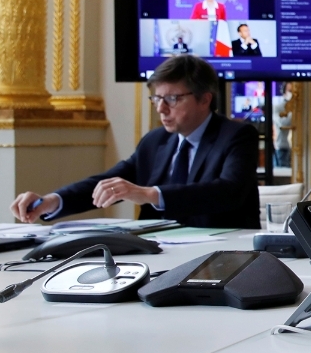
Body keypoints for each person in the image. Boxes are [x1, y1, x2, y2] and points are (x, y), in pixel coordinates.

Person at [11, 56, 260, 229]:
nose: (161, 109)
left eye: (172, 98)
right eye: (157, 98)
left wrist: (150, 194)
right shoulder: (156, 140)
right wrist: (54, 201)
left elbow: (229, 191)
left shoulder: (237, 136)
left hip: (223, 252)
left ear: (204, 99)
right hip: (158, 252)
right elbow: (110, 183)